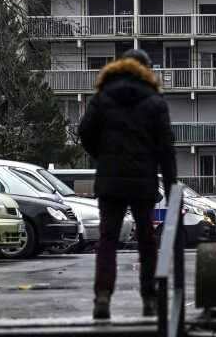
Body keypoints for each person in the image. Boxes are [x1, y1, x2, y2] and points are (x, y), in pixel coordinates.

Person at [79, 48, 177, 320]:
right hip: (143, 181)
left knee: (108, 237)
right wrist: (171, 188)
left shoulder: (103, 97)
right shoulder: (155, 101)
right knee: (147, 239)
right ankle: (149, 297)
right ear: (146, 69)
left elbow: (85, 132)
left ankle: (102, 295)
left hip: (110, 180)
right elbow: (166, 149)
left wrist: (103, 156)